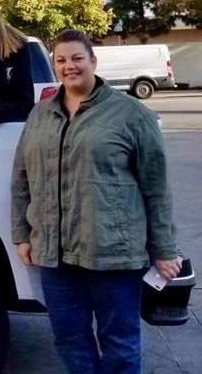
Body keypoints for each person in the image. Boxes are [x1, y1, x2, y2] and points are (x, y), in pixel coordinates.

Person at [11, 29, 181, 374]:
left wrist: (164, 248)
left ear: (93, 61)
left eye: (77, 58)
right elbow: (21, 178)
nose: (69, 66)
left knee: (119, 342)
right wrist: (22, 233)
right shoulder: (40, 114)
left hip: (113, 252)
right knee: (69, 338)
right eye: (61, 60)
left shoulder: (132, 115)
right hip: (54, 253)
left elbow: (156, 186)